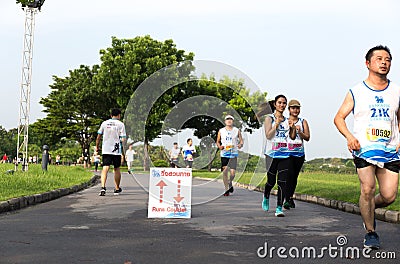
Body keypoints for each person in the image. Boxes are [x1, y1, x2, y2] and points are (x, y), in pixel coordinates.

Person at [334, 45, 400, 249]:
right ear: (368, 63)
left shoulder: (396, 90)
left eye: (388, 59)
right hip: (364, 147)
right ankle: (371, 232)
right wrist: (349, 137)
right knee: (368, 188)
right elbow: (339, 118)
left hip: (390, 149)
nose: (384, 62)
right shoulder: (356, 91)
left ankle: (367, 208)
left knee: (389, 196)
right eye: (379, 58)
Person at [258, 95, 296, 217]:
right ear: (275, 104)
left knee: (282, 182)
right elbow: (268, 135)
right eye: (279, 103)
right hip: (271, 154)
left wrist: (293, 128)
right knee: (271, 181)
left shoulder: (287, 120)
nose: (282, 105)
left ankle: (279, 208)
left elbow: (293, 137)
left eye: (284, 103)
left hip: (285, 154)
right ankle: (266, 196)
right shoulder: (269, 119)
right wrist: (276, 124)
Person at [284, 99, 310, 209]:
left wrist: (300, 131)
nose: (295, 110)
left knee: (294, 177)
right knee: (288, 175)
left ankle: (290, 197)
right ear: (289, 109)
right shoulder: (284, 121)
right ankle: (286, 198)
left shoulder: (303, 121)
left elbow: (307, 137)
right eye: (293, 108)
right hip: (287, 152)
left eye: (297, 108)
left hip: (299, 153)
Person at [96, 108, 127, 196]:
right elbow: (123, 139)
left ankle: (103, 187)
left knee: (105, 168)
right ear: (119, 115)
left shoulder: (104, 123)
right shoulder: (121, 124)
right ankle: (117, 188)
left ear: (111, 115)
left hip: (106, 149)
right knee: (116, 168)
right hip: (116, 150)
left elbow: (98, 136)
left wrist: (97, 147)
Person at [216, 115, 244, 196]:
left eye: (230, 119)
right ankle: (226, 189)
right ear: (225, 121)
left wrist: (240, 144)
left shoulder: (236, 130)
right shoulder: (221, 131)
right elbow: (217, 141)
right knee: (225, 171)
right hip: (224, 153)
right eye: (227, 119)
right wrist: (219, 146)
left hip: (233, 153)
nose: (229, 121)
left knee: (232, 173)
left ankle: (230, 182)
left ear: (233, 121)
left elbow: (241, 141)